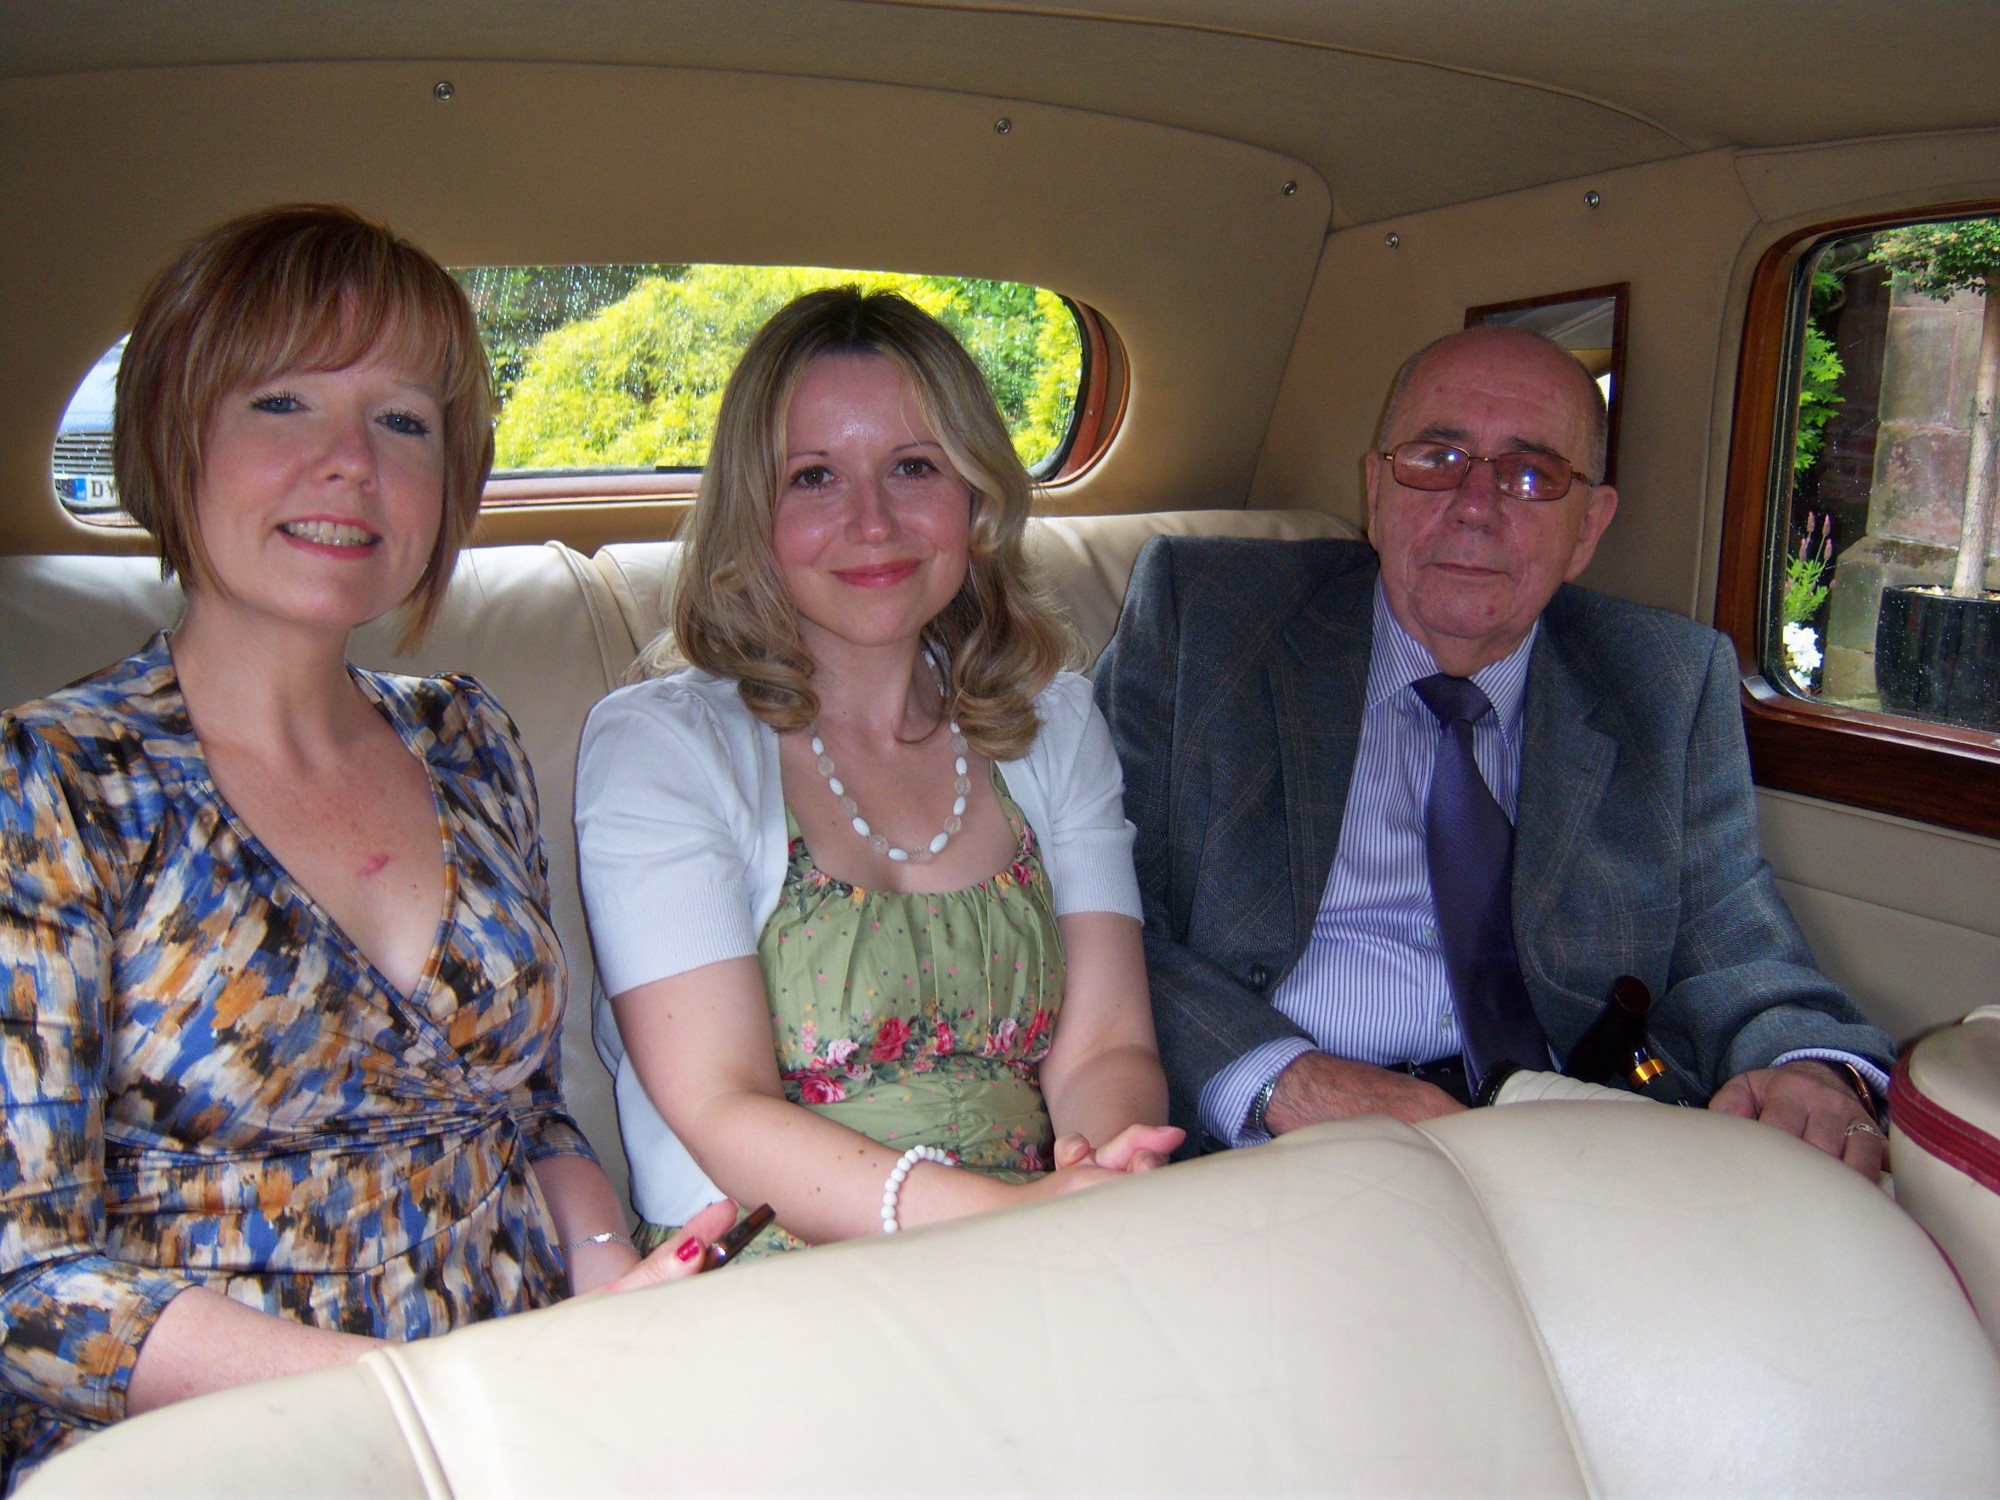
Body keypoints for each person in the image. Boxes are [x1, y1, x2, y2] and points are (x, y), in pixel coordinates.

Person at [0, 205, 732, 1492]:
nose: (349, 461)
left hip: (533, 1400)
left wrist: (607, 1272)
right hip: (216, 1445)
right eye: (282, 402)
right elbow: (30, 1287)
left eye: (402, 420)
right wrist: (426, 1396)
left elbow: (526, 1108)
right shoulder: (50, 781)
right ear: (173, 436)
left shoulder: (466, 736)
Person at [1094, 324, 1895, 1176]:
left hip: (1570, 1145)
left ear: (1588, 529)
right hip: (1273, 1145)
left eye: (1531, 475)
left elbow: (1739, 946)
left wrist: (1812, 1070)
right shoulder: (1205, 618)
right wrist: (1287, 1080)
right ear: (1376, 489)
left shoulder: (1665, 679)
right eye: (1437, 459)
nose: (1475, 506)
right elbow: (1089, 913)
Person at [576, 287, 1181, 1257]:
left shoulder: (1054, 723)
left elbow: (1109, 1048)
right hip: (774, 1273)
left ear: (975, 496)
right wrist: (1012, 1217)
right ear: (751, 511)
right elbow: (721, 1109)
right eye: (813, 477)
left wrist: (1098, 1175)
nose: (872, 522)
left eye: (913, 467)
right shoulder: (661, 748)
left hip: (1042, 1242)